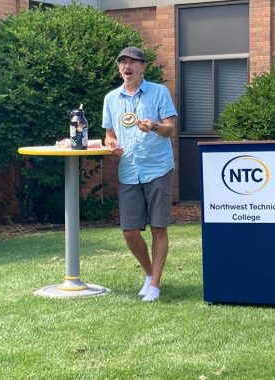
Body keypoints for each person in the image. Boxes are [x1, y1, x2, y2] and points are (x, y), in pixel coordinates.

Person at [102, 46, 177, 302]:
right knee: (129, 231)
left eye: (132, 62)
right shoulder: (111, 98)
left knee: (158, 227)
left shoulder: (159, 92)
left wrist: (155, 126)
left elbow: (170, 129)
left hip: (157, 167)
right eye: (122, 62)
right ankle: (149, 274)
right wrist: (111, 144)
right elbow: (109, 133)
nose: (127, 66)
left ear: (143, 67)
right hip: (129, 169)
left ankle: (155, 285)